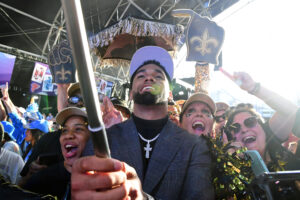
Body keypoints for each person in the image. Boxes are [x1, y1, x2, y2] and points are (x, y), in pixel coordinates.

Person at [72, 46, 214, 200]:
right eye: (141, 75)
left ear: (169, 94)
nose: (149, 78)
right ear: (131, 93)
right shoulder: (105, 139)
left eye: (158, 76)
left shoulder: (193, 146)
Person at [21, 107, 90, 199]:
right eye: (65, 130)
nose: (68, 135)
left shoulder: (103, 182)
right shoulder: (42, 179)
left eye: (78, 129)